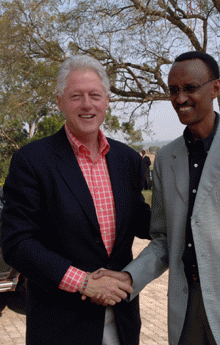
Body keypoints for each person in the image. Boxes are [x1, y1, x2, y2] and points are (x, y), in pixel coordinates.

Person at [95, 52, 220, 345]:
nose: (181, 98)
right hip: (185, 311)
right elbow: (164, 240)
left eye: (190, 88)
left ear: (215, 88)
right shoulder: (166, 158)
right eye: (174, 90)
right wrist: (129, 278)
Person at [0, 55, 150, 345]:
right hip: (61, 325)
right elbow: (17, 242)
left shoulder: (127, 160)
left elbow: (141, 221)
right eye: (76, 96)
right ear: (59, 101)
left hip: (122, 319)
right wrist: (83, 282)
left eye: (95, 95)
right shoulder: (32, 161)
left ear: (107, 100)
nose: (87, 104)